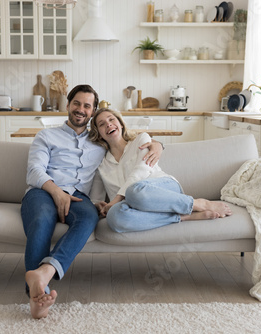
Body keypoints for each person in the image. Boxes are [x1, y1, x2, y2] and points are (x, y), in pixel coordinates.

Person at [21, 85, 164, 319]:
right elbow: (34, 171)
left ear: (93, 111)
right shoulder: (46, 136)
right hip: (43, 191)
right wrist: (57, 193)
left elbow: (128, 143)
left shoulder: (99, 141)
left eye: (87, 106)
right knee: (42, 218)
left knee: (89, 218)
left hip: (78, 197)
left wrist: (158, 144)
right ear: (68, 105)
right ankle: (38, 296)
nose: (81, 109)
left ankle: (43, 274)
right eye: (76, 103)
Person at [88, 108, 232, 233]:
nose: (108, 124)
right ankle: (181, 217)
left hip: (162, 190)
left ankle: (200, 204)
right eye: (102, 124)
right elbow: (96, 196)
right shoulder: (101, 164)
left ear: (120, 123)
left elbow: (140, 172)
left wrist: (117, 199)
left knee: (133, 191)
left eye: (112, 119)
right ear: (99, 134)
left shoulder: (141, 140)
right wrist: (99, 205)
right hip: (134, 205)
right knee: (115, 218)